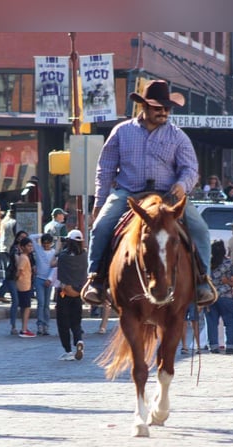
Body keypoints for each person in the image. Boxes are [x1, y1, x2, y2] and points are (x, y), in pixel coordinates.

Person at [82, 79, 215, 307]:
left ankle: (203, 281)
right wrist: (100, 202)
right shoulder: (121, 132)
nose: (164, 112)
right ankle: (96, 279)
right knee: (101, 226)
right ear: (143, 107)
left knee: (201, 230)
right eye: (158, 108)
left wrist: (183, 184)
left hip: (168, 196)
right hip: (128, 194)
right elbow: (105, 168)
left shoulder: (178, 136)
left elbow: (190, 168)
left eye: (167, 108)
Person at [54, 229, 88, 360]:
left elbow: (54, 266)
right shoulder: (84, 255)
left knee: (63, 323)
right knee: (76, 322)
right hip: (79, 292)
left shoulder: (63, 256)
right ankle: (79, 340)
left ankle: (68, 351)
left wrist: (58, 249)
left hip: (65, 292)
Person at [204, 239, 233, 354]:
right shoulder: (228, 263)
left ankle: (213, 346)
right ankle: (231, 346)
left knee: (211, 322)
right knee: (230, 321)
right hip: (225, 295)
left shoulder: (207, 263)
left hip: (210, 296)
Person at [29, 232, 57, 336]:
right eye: (44, 243)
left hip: (48, 280)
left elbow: (54, 267)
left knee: (46, 304)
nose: (46, 245)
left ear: (51, 243)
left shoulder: (54, 252)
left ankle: (46, 325)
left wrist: (50, 279)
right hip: (39, 279)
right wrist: (43, 234)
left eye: (48, 243)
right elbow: (31, 237)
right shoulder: (38, 249)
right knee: (40, 303)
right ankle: (40, 324)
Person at [0, 203, 18, 304]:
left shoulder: (5, 221)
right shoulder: (14, 222)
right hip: (9, 249)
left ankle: (2, 293)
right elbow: (16, 235)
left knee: (7, 272)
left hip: (2, 248)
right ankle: (0, 293)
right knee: (10, 273)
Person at [16, 237, 36, 338]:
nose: (30, 248)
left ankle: (24, 328)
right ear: (23, 247)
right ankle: (24, 329)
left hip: (26, 284)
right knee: (26, 307)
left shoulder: (24, 256)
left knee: (25, 307)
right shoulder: (23, 257)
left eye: (31, 246)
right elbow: (19, 271)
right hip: (23, 285)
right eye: (28, 246)